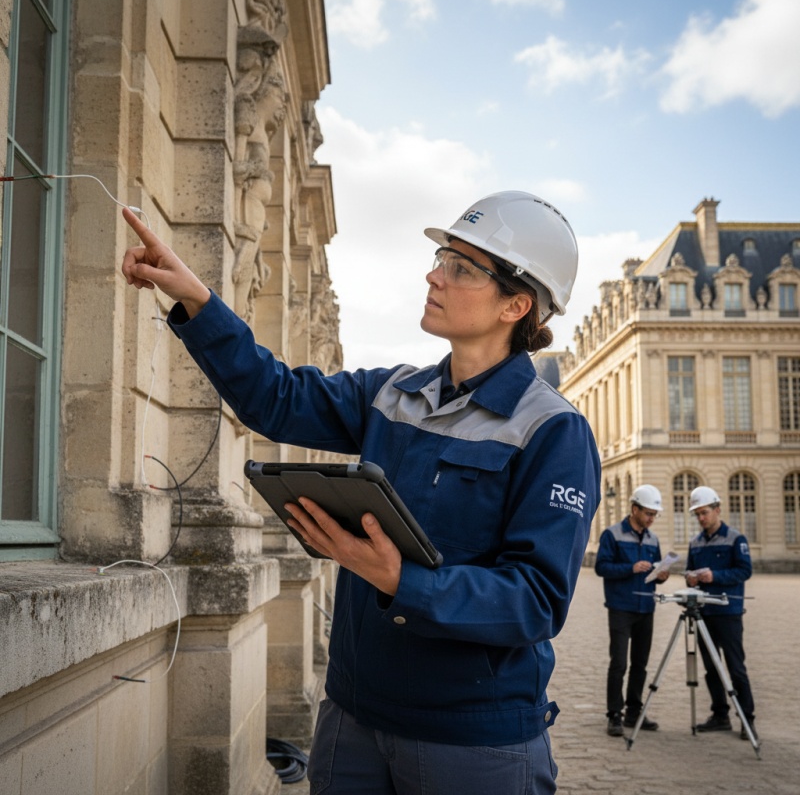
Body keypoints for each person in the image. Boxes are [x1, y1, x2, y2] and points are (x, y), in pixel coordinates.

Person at [121, 191, 601, 794]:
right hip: (352, 718)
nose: (434, 274)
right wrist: (197, 300)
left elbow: (535, 601)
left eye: (460, 267)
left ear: (517, 304)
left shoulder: (553, 430)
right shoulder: (392, 393)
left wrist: (401, 580)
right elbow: (276, 397)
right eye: (440, 258)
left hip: (472, 742)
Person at [595, 484, 670, 736]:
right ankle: (614, 715)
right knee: (619, 662)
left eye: (654, 515)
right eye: (648, 513)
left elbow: (655, 572)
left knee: (640, 663)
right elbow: (602, 567)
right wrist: (630, 568)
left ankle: (634, 712)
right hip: (620, 607)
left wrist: (662, 575)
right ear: (634, 509)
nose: (651, 519)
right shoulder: (612, 535)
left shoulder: (653, 538)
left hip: (646, 607)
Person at [685, 486, 756, 740]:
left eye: (704, 513)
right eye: (697, 515)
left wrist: (715, 575)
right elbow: (688, 572)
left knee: (736, 668)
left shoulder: (736, 539)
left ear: (717, 510)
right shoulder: (695, 543)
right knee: (711, 668)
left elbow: (744, 571)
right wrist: (691, 579)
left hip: (729, 613)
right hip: (704, 613)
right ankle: (720, 715)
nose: (701, 518)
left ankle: (747, 719)